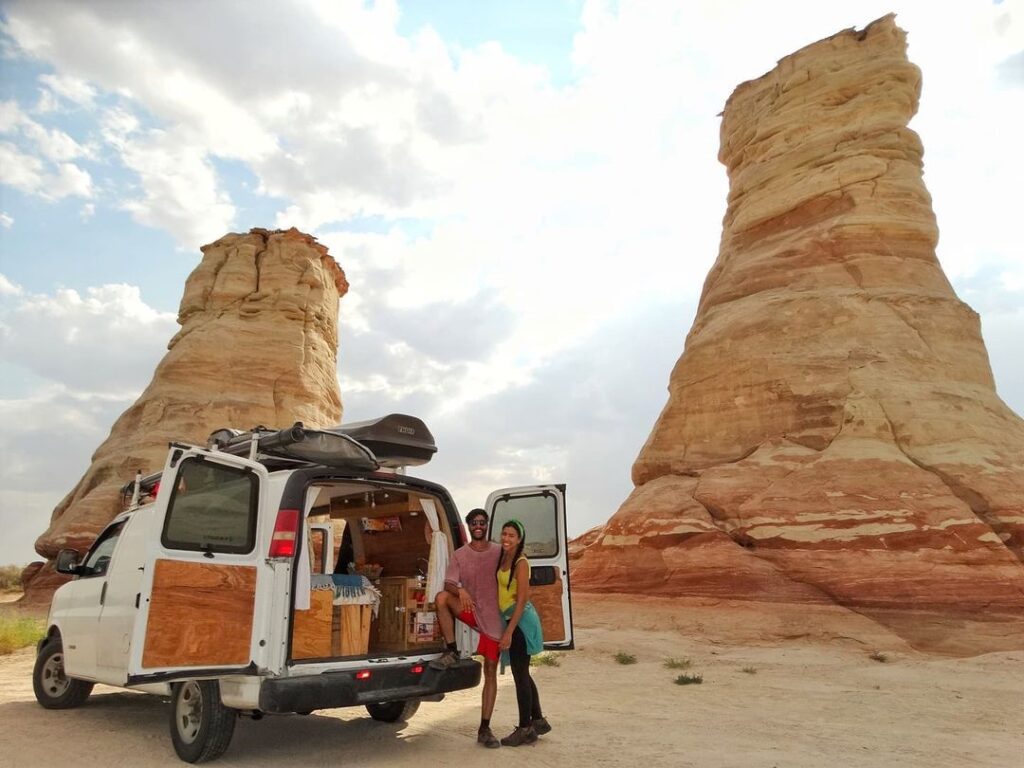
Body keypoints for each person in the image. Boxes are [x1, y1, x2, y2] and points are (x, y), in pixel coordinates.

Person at [430, 508, 503, 748]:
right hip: (470, 610)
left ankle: (484, 727)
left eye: (482, 522)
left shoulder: (499, 552)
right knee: (442, 597)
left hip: (493, 617)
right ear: (469, 526)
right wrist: (460, 590)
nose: (478, 526)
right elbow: (449, 583)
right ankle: (452, 650)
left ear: (487, 525)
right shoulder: (460, 554)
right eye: (474, 523)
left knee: (490, 670)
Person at [496, 518, 550, 746]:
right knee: (523, 672)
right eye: (504, 534)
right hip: (510, 620)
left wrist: (509, 631)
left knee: (520, 676)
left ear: (519, 539)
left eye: (511, 535)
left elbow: (521, 600)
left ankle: (525, 728)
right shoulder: (502, 557)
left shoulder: (521, 563)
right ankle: (538, 720)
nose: (506, 539)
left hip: (520, 622)